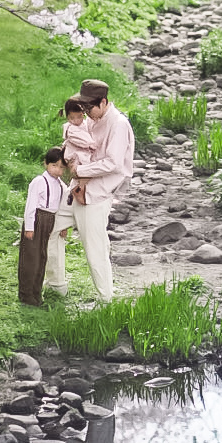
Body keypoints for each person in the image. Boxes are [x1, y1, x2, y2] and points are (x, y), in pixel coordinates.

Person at [62, 78, 134, 302]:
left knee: (95, 251)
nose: (85, 113)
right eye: (82, 108)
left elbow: (113, 163)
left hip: (97, 194)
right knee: (48, 225)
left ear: (103, 102)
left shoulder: (118, 124)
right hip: (75, 188)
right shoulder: (91, 119)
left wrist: (81, 170)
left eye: (88, 108)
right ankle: (56, 286)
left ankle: (106, 301)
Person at [18, 146, 69, 307]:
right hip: (38, 218)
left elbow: (62, 208)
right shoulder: (39, 181)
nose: (57, 170)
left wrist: (63, 226)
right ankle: (26, 294)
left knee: (42, 257)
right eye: (54, 165)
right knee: (31, 258)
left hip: (51, 220)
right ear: (46, 164)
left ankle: (36, 292)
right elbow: (31, 205)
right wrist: (29, 226)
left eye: (61, 167)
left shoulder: (61, 185)